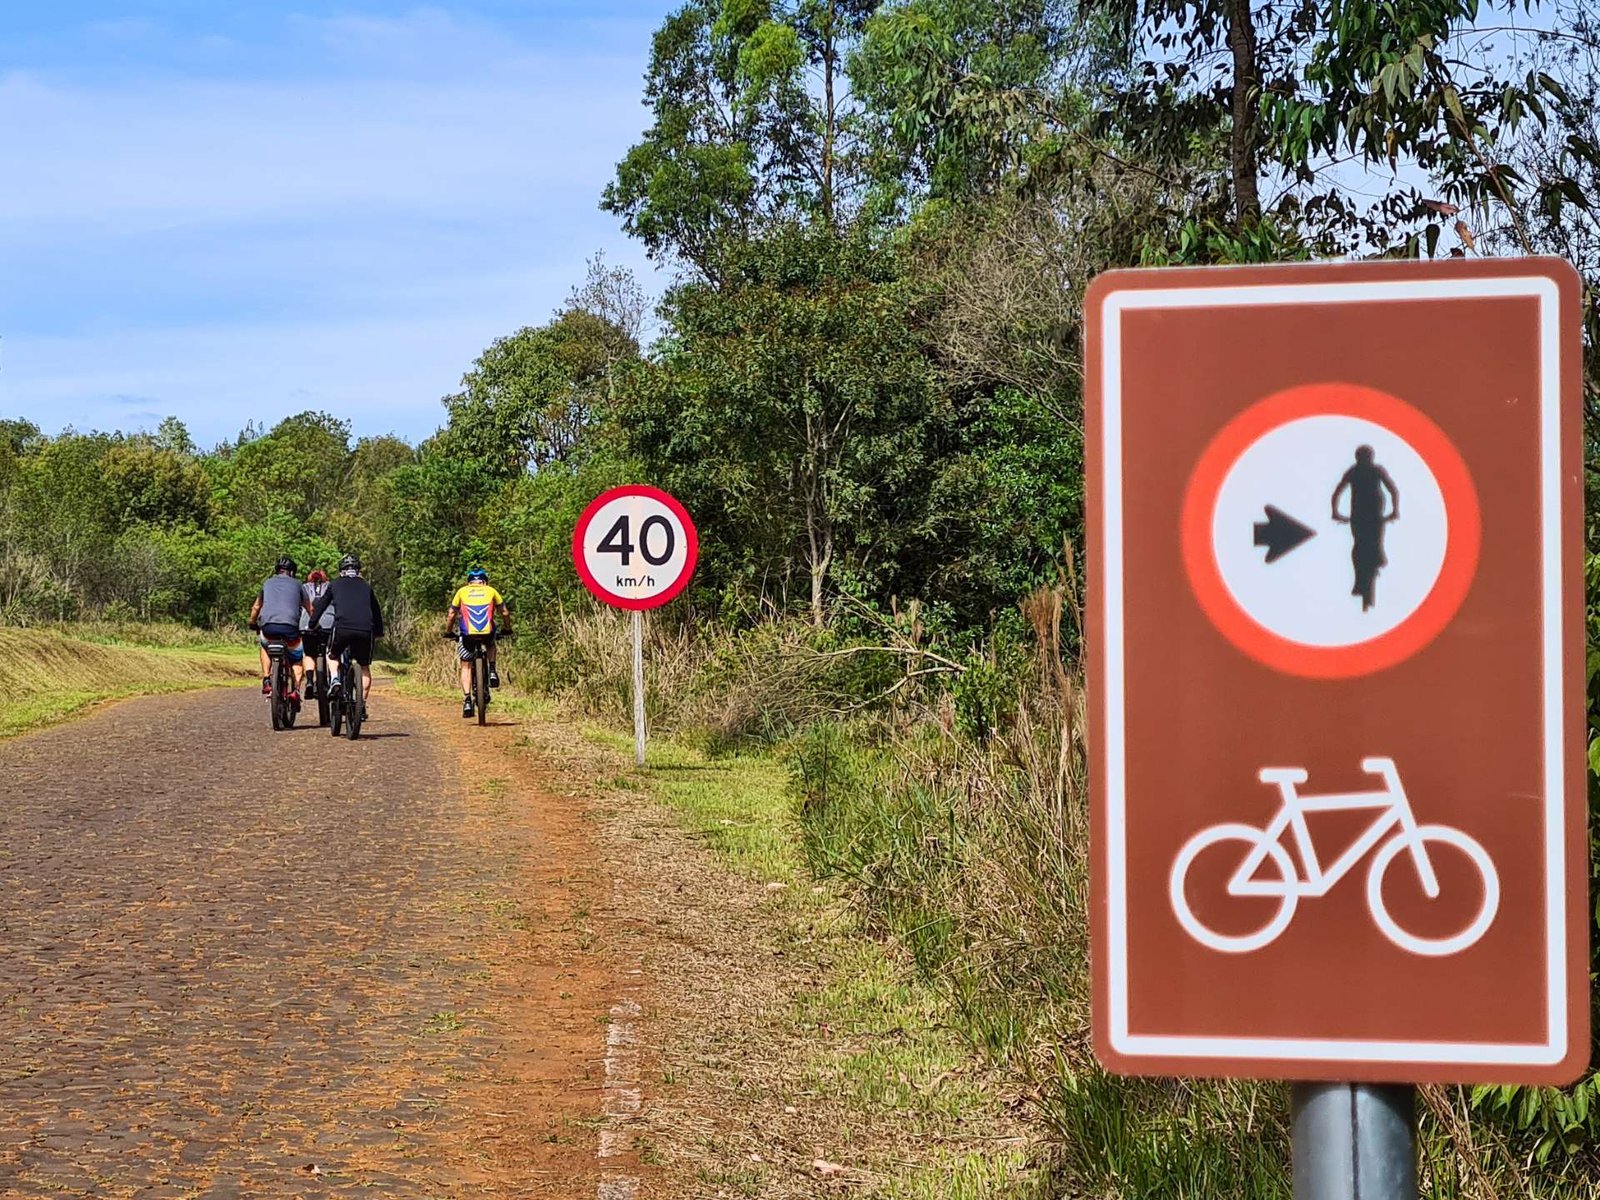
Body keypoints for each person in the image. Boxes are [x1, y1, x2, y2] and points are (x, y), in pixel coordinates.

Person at [1330, 445, 1400, 612]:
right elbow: (1393, 491)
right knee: (1364, 543)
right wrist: (1394, 511)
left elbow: (1337, 492)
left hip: (1366, 516)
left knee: (1363, 544)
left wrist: (1335, 512)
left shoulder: (1359, 471)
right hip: (1367, 517)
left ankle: (1367, 572)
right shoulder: (1367, 471)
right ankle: (1364, 576)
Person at [310, 553, 385, 707]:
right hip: (365, 630)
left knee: (331, 655)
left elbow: (321, 606)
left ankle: (335, 679)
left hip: (342, 628)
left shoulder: (335, 584)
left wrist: (312, 624)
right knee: (364, 666)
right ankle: (361, 704)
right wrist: (378, 631)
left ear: (341, 570)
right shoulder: (366, 587)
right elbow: (376, 611)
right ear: (359, 570)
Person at [447, 566, 511, 719]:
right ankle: (493, 670)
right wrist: (507, 628)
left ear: (469, 582)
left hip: (467, 634)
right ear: (485, 581)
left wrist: (448, 632)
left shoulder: (461, 591)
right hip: (487, 632)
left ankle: (467, 700)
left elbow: (451, 614)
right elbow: (505, 612)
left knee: (466, 665)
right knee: (491, 642)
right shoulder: (491, 590)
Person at [248, 555, 312, 703]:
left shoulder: (267, 583)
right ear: (292, 572)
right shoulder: (298, 585)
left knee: (265, 645)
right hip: (290, 628)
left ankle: (266, 679)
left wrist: (252, 623)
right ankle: (295, 690)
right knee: (297, 657)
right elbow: (310, 609)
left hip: (268, 627)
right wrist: (314, 624)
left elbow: (256, 606)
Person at [300, 568, 334, 697]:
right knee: (330, 653)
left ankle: (309, 681)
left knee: (309, 654)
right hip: (328, 625)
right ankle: (330, 680)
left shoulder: (303, 588)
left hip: (306, 625)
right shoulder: (330, 587)